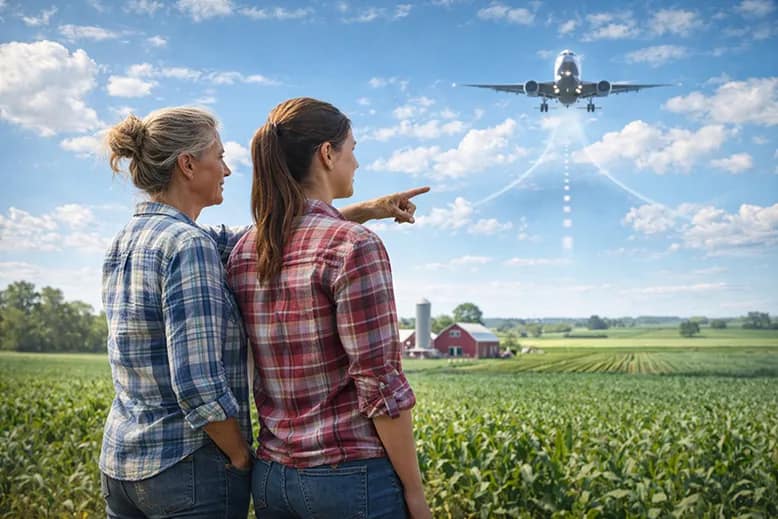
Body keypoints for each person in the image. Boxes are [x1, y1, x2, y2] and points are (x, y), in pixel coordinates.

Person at [100, 105, 428, 518]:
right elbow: (379, 384)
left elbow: (287, 233)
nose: (227, 169)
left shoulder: (140, 240)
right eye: (218, 157)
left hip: (149, 462)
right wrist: (239, 457)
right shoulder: (194, 246)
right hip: (207, 467)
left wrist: (369, 209)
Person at [226, 97, 433, 519]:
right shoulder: (355, 247)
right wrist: (415, 493)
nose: (356, 162)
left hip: (272, 477)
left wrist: (369, 210)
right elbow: (380, 385)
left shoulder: (245, 250)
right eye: (352, 149)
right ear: (326, 153)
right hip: (349, 477)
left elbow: (297, 228)